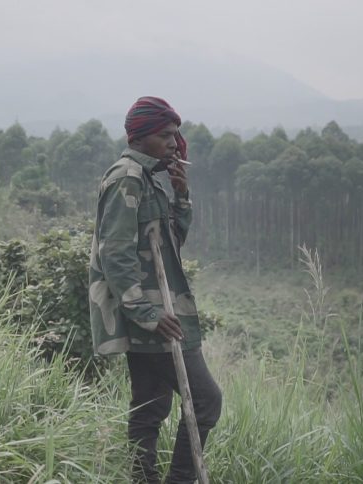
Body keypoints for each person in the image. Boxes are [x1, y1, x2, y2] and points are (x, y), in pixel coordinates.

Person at [88, 96, 222, 483]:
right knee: (206, 400)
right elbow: (114, 251)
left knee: (150, 406)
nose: (174, 143)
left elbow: (170, 241)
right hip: (153, 316)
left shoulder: (148, 178)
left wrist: (181, 194)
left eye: (176, 135)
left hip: (155, 313)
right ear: (142, 136)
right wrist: (145, 313)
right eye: (165, 135)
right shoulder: (126, 177)